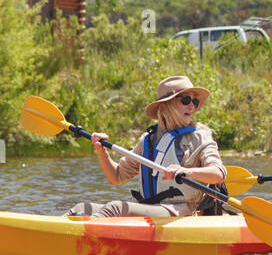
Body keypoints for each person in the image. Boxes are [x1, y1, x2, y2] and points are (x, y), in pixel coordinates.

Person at [67, 75, 228, 218]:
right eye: (185, 100)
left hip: (183, 212)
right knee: (81, 208)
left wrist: (187, 171)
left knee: (115, 208)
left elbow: (218, 173)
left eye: (195, 101)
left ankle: (82, 238)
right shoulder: (149, 140)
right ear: (165, 105)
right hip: (152, 209)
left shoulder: (200, 137)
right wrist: (100, 150)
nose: (192, 106)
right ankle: (52, 233)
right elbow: (116, 176)